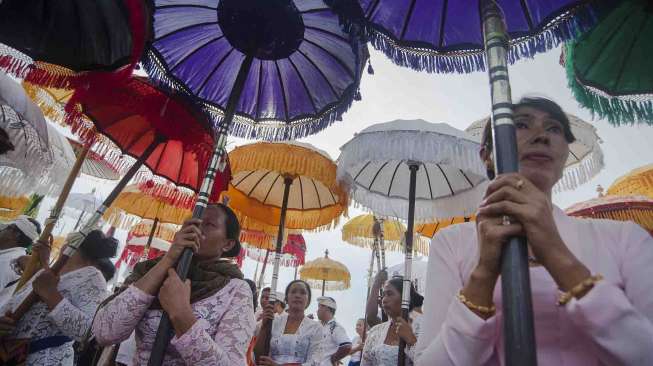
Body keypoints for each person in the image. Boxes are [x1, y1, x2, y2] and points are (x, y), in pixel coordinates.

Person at [415, 97, 653, 365]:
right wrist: (483, 273)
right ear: (487, 155)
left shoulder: (624, 238)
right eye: (520, 125)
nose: (541, 136)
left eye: (554, 128)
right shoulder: (452, 243)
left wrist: (556, 253)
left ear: (565, 153)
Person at [92, 203, 256, 365]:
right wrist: (168, 259)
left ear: (227, 244)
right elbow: (105, 332)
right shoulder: (150, 270)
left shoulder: (235, 289)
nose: (197, 227)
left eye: (209, 224)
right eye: (194, 220)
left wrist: (181, 313)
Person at [0, 230, 116, 365]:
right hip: (9, 353)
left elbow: (87, 332)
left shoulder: (93, 278)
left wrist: (51, 295)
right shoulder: (56, 270)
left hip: (45, 358)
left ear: (72, 246)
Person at [254, 279, 324, 365]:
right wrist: (264, 327)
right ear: (286, 298)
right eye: (293, 292)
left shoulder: (315, 328)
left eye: (302, 293)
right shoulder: (274, 322)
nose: (297, 295)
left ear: (308, 300)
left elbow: (314, 362)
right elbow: (258, 358)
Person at [361, 278, 422, 366]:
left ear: (405, 297)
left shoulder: (422, 329)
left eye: (390, 294)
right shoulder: (375, 332)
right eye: (383, 295)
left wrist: (411, 339)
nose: (384, 300)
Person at [0, 215, 41, 289]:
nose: (1, 230)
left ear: (15, 235)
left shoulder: (4, 263)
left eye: (8, 227)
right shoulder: (15, 256)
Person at [316, 296, 351, 366]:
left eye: (319, 307)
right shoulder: (317, 326)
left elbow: (347, 346)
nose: (317, 310)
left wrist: (333, 359)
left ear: (326, 308)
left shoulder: (335, 327)